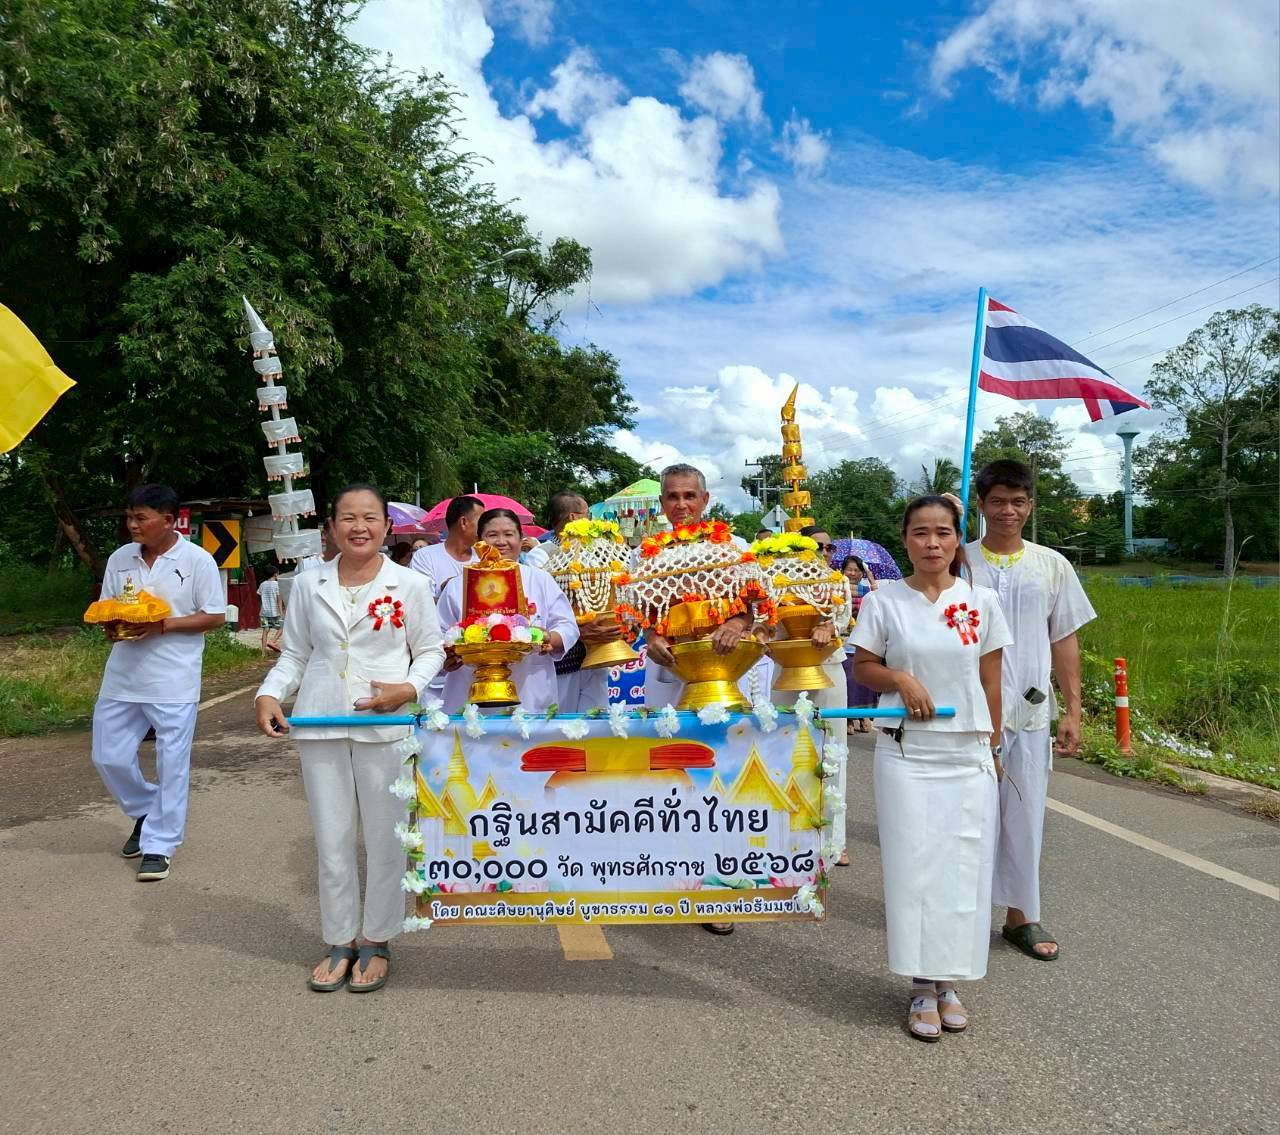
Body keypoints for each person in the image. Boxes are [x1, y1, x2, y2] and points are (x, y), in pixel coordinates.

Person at [255, 484, 444, 993]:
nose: (359, 527)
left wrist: (406, 687)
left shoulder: (409, 584)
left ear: (386, 526)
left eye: (370, 518)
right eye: (347, 518)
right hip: (319, 722)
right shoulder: (308, 581)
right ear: (332, 527)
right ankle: (340, 939)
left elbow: (431, 651)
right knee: (332, 838)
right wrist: (269, 694)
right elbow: (294, 654)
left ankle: (378, 939)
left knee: (385, 840)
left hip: (386, 726)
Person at [851, 495, 1011, 1041]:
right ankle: (921, 985)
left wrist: (993, 745)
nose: (933, 543)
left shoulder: (983, 601)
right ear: (906, 539)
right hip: (907, 753)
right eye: (921, 532)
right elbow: (864, 667)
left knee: (962, 868)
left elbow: (992, 682)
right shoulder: (884, 601)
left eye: (943, 532)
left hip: (966, 752)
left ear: (956, 539)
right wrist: (900, 679)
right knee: (915, 868)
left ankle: (950, 982)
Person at [967, 459, 1096, 963]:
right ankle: (967, 913)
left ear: (1031, 506)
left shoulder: (1051, 565)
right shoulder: (961, 562)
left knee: (1025, 813)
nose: (1007, 511)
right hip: (971, 714)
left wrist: (1074, 709)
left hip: (1029, 711)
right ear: (981, 505)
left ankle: (1021, 915)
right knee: (971, 814)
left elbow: (1064, 637)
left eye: (1018, 502)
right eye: (997, 501)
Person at [90, 484, 227, 882]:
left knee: (172, 764)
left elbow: (215, 616)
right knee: (107, 756)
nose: (132, 525)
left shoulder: (197, 560)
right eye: (129, 517)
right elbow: (109, 606)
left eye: (141, 518)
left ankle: (160, 845)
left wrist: (161, 625)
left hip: (174, 677)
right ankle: (149, 809)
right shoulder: (121, 558)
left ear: (168, 521)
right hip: (123, 674)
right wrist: (113, 628)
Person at [436, 508, 580, 715]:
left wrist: (548, 638)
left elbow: (567, 625)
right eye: (492, 535)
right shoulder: (458, 585)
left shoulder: (540, 579)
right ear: (479, 541)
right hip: (469, 691)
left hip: (530, 690)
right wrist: (447, 654)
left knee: (529, 745)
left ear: (521, 540)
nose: (501, 542)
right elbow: (438, 633)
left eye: (509, 534)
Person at [641, 464, 754, 710]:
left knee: (730, 740)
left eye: (689, 496)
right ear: (662, 502)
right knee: (673, 743)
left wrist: (735, 624)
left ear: (705, 499)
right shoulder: (645, 554)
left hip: (725, 657)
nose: (681, 505)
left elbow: (756, 603)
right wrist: (652, 637)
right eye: (673, 497)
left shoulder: (735, 547)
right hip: (670, 663)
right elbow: (641, 611)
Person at [771, 525, 850, 866]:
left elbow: (843, 620)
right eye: (816, 547)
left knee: (831, 754)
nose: (824, 553)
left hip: (828, 669)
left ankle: (834, 840)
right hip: (787, 672)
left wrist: (828, 626)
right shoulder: (776, 583)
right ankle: (782, 836)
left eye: (829, 548)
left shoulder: (839, 583)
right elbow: (767, 626)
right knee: (781, 752)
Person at [409, 495, 483, 599]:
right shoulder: (425, 557)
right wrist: (453, 586)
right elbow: (423, 601)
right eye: (481, 522)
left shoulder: (484, 557)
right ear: (463, 522)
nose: (485, 527)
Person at [841, 555, 879, 734]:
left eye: (857, 570)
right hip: (843, 641)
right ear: (843, 571)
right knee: (848, 679)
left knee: (866, 679)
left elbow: (877, 604)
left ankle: (864, 716)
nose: (853, 573)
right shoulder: (838, 589)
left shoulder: (867, 591)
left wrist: (872, 581)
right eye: (849, 569)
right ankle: (848, 719)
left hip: (863, 641)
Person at [522, 490, 588, 571]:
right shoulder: (538, 555)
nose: (590, 519)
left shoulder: (586, 550)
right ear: (573, 517)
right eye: (587, 514)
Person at [258, 563, 285, 654]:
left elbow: (260, 595)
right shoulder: (277, 585)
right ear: (275, 574)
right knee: (283, 628)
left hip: (264, 612)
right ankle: (273, 641)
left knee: (265, 630)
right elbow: (279, 600)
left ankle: (263, 653)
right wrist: (281, 613)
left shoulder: (262, 585)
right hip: (275, 612)